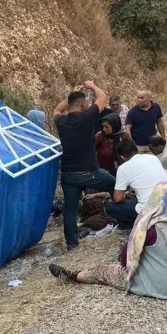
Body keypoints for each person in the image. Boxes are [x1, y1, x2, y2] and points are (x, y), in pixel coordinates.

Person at [48, 182, 167, 299]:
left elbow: (126, 263)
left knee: (106, 271)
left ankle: (73, 276)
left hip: (161, 287)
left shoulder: (148, 229)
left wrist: (127, 250)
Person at [54, 81, 115, 250]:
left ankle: (72, 244)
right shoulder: (87, 117)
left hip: (69, 174)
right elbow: (102, 98)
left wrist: (71, 95)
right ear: (82, 104)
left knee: (70, 210)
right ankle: (122, 215)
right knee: (117, 184)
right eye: (85, 103)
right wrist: (92, 85)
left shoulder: (61, 121)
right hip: (89, 172)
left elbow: (57, 110)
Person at [104, 139, 167, 228]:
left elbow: (117, 198)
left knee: (109, 207)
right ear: (136, 150)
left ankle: (135, 224)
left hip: (151, 211)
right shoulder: (153, 157)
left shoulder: (123, 168)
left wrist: (125, 195)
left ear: (122, 157)